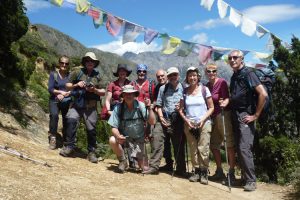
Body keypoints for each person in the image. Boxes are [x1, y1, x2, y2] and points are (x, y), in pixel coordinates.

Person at [228, 50, 267, 191]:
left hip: (245, 115)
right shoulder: (234, 76)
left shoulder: (249, 73)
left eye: (235, 57)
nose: (232, 60)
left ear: (242, 59)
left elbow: (263, 93)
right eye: (230, 58)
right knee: (240, 147)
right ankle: (244, 178)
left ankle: (251, 180)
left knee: (244, 148)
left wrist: (255, 115)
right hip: (235, 115)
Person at [59, 52, 106, 163]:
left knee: (91, 129)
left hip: (91, 106)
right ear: (85, 62)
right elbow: (67, 85)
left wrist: (94, 90)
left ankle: (91, 152)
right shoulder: (77, 72)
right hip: (77, 104)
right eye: (88, 61)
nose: (90, 63)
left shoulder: (98, 75)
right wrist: (76, 85)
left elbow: (103, 91)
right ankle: (69, 147)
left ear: (95, 63)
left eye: (92, 61)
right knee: (71, 120)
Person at [108, 85, 156, 173]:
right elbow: (113, 127)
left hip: (138, 140)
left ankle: (136, 159)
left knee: (144, 167)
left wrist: (149, 108)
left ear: (134, 95)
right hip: (125, 139)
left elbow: (152, 122)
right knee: (112, 140)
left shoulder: (141, 106)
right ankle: (123, 161)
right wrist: (118, 136)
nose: (128, 96)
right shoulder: (118, 108)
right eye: (126, 94)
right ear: (123, 96)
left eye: (131, 94)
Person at [178, 67, 214, 184]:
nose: (192, 78)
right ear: (187, 78)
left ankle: (204, 172)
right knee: (193, 148)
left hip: (204, 123)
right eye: (190, 76)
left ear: (198, 76)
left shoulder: (204, 89)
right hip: (190, 124)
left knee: (203, 148)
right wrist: (186, 120)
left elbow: (211, 107)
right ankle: (196, 171)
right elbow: (181, 109)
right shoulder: (184, 91)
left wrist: (202, 120)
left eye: (194, 75)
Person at [205, 64, 236, 183]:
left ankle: (231, 172)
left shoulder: (222, 82)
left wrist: (225, 102)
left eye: (214, 71)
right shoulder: (207, 86)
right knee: (214, 144)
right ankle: (219, 170)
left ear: (216, 72)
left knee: (228, 143)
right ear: (206, 73)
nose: (211, 73)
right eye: (209, 71)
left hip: (223, 115)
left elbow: (227, 97)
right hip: (212, 117)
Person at [155, 67, 186, 177]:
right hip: (165, 118)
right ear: (168, 77)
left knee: (178, 144)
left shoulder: (184, 88)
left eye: (175, 75)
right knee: (159, 140)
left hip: (179, 119)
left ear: (178, 75)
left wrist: (182, 107)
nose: (173, 77)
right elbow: (158, 105)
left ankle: (181, 169)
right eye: (171, 75)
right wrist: (161, 116)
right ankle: (157, 165)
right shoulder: (163, 88)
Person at [143, 69, 172, 174]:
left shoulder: (173, 85)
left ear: (166, 76)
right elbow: (156, 100)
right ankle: (154, 166)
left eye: (162, 76)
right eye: (158, 76)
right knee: (157, 138)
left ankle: (175, 166)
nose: (160, 78)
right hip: (160, 118)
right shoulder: (157, 88)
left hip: (174, 118)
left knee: (174, 143)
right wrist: (153, 105)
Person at [47, 55, 71, 150]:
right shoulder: (54, 74)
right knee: (54, 116)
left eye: (66, 63)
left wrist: (66, 94)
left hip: (66, 100)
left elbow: (72, 88)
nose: (64, 65)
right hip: (54, 100)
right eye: (62, 63)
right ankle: (53, 137)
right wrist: (60, 92)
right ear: (59, 63)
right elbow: (50, 88)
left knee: (67, 119)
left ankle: (66, 140)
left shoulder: (70, 76)